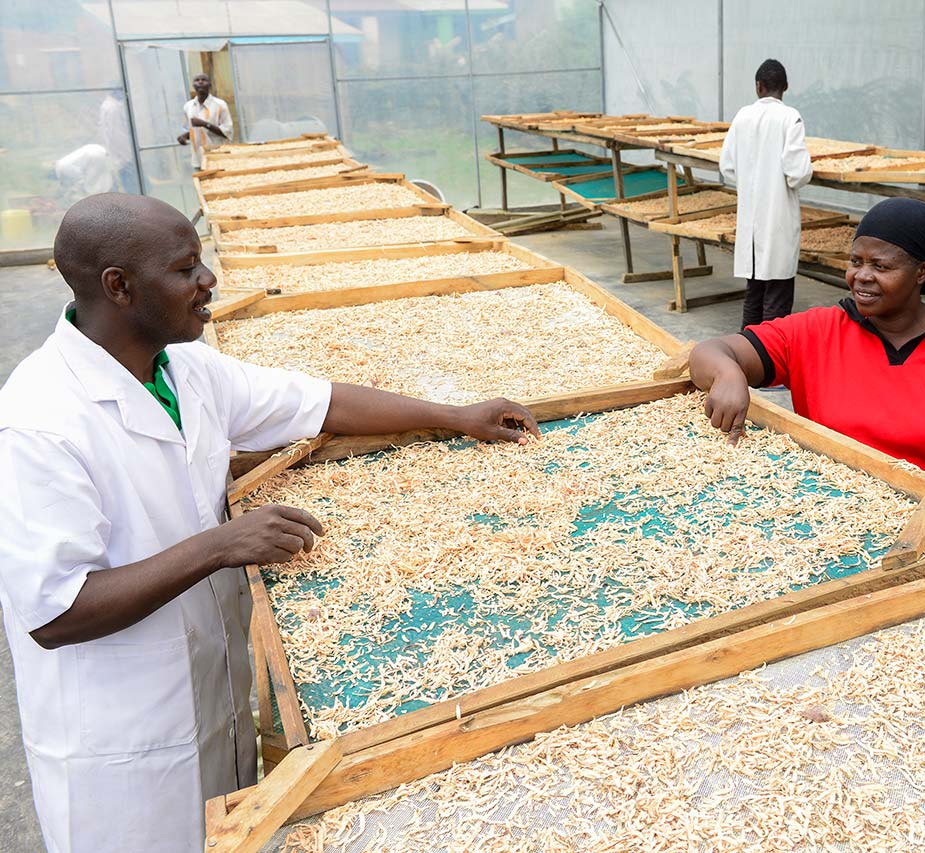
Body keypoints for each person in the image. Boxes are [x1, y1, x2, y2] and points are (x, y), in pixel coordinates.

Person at [0, 194, 541, 852]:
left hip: (210, 698)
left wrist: (454, 415)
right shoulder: (40, 420)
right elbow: (55, 612)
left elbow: (320, 402)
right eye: (185, 269)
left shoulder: (183, 367)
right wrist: (221, 545)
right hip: (121, 746)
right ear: (119, 287)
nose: (208, 281)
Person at [690, 198, 925, 540]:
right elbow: (711, 352)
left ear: (922, 272)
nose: (862, 277)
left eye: (881, 267)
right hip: (848, 528)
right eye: (856, 262)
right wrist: (729, 375)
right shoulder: (817, 332)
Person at [719, 58, 813, 329]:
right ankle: (770, 362)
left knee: (755, 293)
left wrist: (751, 182)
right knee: (777, 297)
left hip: (751, 222)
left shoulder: (742, 117)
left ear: (758, 87)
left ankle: (747, 353)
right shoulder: (789, 117)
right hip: (778, 218)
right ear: (785, 87)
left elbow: (727, 166)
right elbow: (798, 172)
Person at [177, 72, 233, 168]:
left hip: (217, 156)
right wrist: (184, 137)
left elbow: (227, 131)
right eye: (197, 80)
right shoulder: (188, 106)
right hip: (198, 158)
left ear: (210, 84)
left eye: (204, 80)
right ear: (193, 85)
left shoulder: (220, 105)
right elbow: (191, 130)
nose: (200, 82)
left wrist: (205, 124)